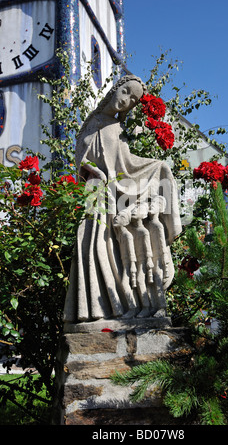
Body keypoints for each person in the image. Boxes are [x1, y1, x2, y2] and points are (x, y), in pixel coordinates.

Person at [63, 75, 182, 323]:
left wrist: (155, 167)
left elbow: (127, 165)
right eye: (126, 92)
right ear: (115, 89)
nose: (126, 101)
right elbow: (81, 158)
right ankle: (96, 309)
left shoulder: (117, 129)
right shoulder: (92, 123)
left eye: (132, 101)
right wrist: (92, 171)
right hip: (96, 192)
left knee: (114, 247)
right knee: (95, 244)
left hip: (113, 189)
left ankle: (124, 305)